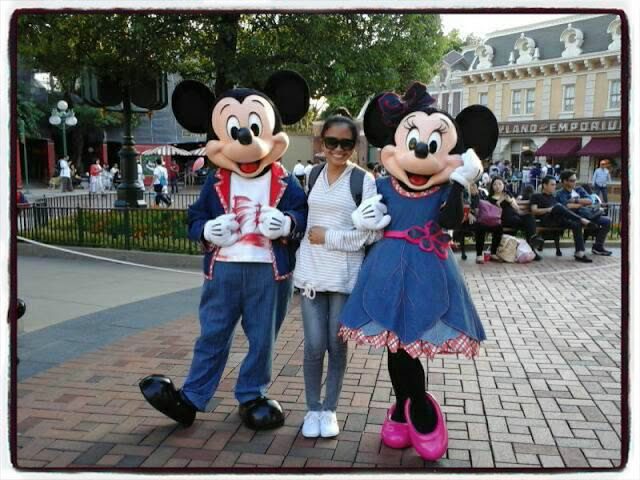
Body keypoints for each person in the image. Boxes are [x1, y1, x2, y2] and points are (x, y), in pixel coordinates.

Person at [338, 82, 494, 461]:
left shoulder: (445, 188)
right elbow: (372, 223)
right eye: (413, 141)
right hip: (388, 269)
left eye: (433, 144)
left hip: (427, 269)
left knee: (410, 344)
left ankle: (417, 409)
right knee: (397, 346)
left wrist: (458, 184)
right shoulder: (381, 184)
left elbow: (450, 221)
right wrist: (364, 220)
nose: (422, 150)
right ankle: (408, 409)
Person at [293, 109, 379, 439]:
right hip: (312, 275)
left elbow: (372, 233)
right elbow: (304, 220)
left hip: (344, 279)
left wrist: (328, 237)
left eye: (346, 143)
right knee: (313, 346)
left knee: (335, 345)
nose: (339, 149)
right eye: (332, 142)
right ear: (322, 143)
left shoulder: (363, 181)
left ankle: (329, 409)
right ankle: (312, 407)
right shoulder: (313, 175)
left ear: (355, 145)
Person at [529, 175, 593, 262]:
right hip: (547, 220)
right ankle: (582, 219)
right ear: (544, 185)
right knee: (558, 207)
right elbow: (534, 211)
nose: (554, 187)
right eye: (552, 185)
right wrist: (549, 209)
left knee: (576, 225)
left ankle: (580, 253)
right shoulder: (536, 196)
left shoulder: (553, 197)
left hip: (559, 219)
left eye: (555, 185)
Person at [556, 170, 612, 256]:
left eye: (575, 180)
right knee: (577, 224)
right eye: (572, 180)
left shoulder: (579, 189)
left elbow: (590, 201)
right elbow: (566, 207)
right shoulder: (560, 193)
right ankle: (579, 251)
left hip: (587, 214)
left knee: (607, 221)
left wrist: (575, 200)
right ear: (564, 181)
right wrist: (581, 204)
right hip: (573, 217)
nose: (575, 182)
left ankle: (598, 247)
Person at [488, 176, 543, 259]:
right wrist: (500, 201)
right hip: (503, 219)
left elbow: (517, 208)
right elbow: (495, 212)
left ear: (503, 185)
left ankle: (533, 242)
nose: (497, 186)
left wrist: (510, 201)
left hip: (515, 217)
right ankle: (532, 245)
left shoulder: (508, 194)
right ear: (492, 186)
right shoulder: (490, 198)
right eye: (495, 184)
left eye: (500, 184)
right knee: (523, 222)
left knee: (529, 217)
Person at [467, 182, 503, 264]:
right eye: (471, 185)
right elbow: (462, 206)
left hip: (484, 219)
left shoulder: (482, 193)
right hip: (469, 219)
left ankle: (493, 253)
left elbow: (486, 208)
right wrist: (469, 214)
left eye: (474, 185)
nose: (473, 187)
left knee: (498, 227)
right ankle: (479, 255)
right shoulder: (464, 194)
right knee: (480, 226)